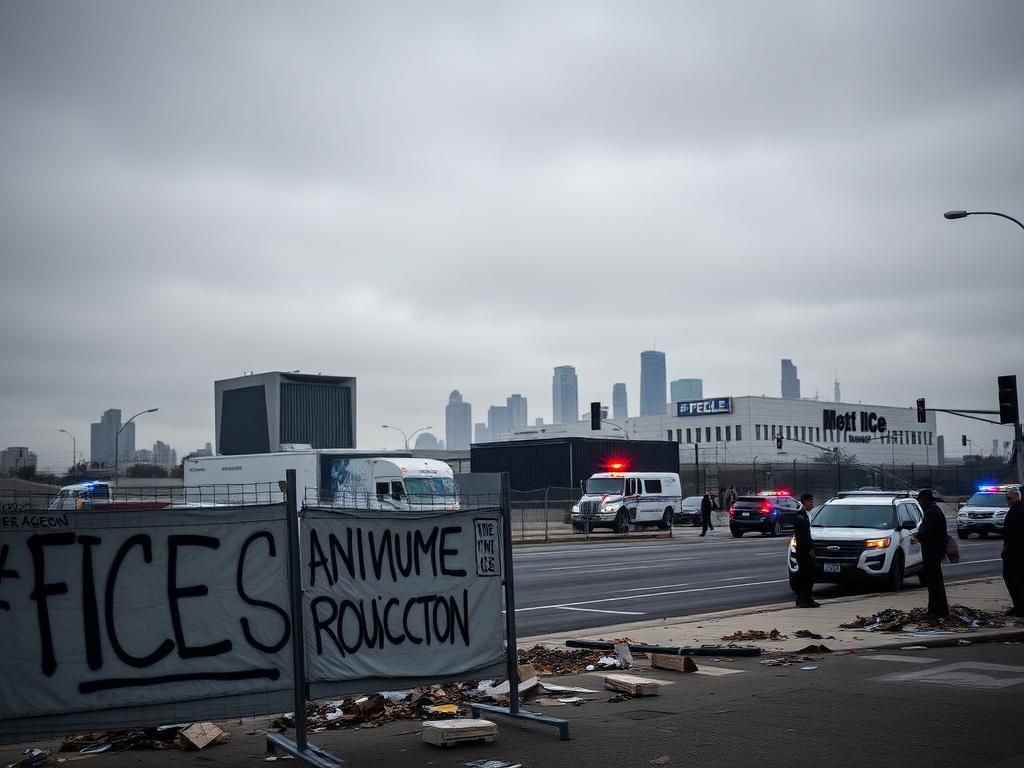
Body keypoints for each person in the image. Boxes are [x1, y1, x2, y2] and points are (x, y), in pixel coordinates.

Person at [915, 488, 949, 619]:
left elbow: (927, 531)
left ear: (926, 498)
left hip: (932, 551)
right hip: (935, 550)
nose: (920, 502)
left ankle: (937, 611)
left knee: (934, 583)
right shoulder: (933, 510)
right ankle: (936, 609)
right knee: (934, 582)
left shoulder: (932, 512)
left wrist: (917, 536)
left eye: (921, 499)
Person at [793, 492, 819, 607]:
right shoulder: (801, 516)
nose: (812, 505)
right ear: (805, 502)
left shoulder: (803, 514)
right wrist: (810, 549)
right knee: (808, 576)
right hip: (804, 551)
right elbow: (803, 536)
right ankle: (807, 600)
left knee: (803, 575)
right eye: (811, 502)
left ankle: (801, 599)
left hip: (801, 550)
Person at [1001, 486, 1024, 616]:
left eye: (1009, 498)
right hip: (1015, 551)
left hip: (1014, 552)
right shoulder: (1015, 510)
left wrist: (1006, 549)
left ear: (1016, 497)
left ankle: (1019, 607)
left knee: (1012, 578)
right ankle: (1019, 606)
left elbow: (1013, 534)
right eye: (1006, 498)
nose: (1007, 500)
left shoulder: (1017, 511)